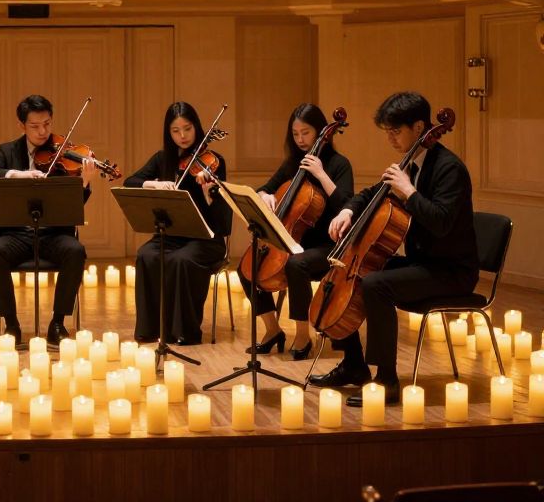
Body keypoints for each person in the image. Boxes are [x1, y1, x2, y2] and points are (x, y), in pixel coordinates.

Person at [310, 92, 477, 406]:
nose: (390, 138)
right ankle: (354, 364)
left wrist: (409, 192)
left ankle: (386, 379)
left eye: (395, 131)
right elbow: (371, 193)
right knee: (351, 272)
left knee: (376, 285)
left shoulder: (448, 169)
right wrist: (347, 210)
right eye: (386, 131)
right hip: (423, 262)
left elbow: (441, 222)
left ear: (418, 127)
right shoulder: (409, 164)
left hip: (451, 271)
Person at [237, 103, 354, 360]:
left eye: (306, 133)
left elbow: (346, 204)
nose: (300, 140)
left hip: (326, 245)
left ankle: (303, 334)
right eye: (296, 134)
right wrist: (264, 195)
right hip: (292, 240)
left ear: (322, 131)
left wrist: (322, 175)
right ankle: (272, 330)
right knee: (246, 267)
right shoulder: (293, 163)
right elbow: (265, 187)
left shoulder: (338, 164)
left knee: (296, 265)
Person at [0, 94, 92, 345]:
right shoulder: (7, 151)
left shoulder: (64, 153)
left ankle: (58, 323)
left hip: (53, 234)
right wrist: (16, 174)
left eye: (47, 124)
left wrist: (84, 182)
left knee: (75, 251)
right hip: (15, 234)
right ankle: (11, 324)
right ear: (22, 126)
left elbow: (76, 204)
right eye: (35, 126)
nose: (43, 132)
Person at [125, 101, 233, 345]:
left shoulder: (214, 161)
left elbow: (221, 213)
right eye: (175, 131)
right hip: (172, 235)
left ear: (196, 127)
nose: (183, 136)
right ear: (168, 132)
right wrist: (154, 183)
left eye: (187, 128)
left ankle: (184, 331)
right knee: (146, 254)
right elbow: (131, 181)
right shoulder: (163, 158)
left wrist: (208, 193)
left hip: (206, 238)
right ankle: (151, 328)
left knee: (180, 260)